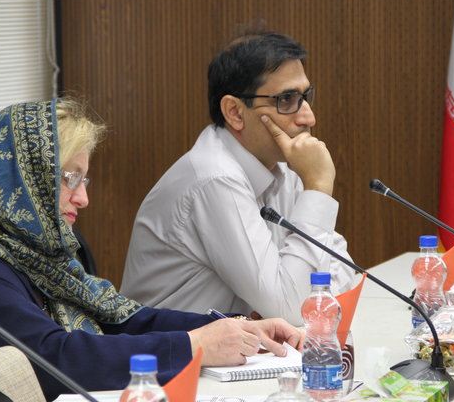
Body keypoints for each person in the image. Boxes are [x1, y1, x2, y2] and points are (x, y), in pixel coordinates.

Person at [0, 99, 303, 401]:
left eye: (85, 180)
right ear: (18, 182)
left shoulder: (39, 257)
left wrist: (236, 328)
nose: (83, 199)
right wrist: (195, 346)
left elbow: (121, 321)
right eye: (70, 178)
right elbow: (54, 359)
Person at [121, 29, 357, 324]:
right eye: (286, 99)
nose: (308, 117)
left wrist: (292, 300)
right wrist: (319, 188)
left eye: (306, 96)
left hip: (242, 346)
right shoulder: (215, 178)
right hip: (171, 350)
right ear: (234, 111)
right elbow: (293, 310)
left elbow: (344, 272)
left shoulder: (285, 167)